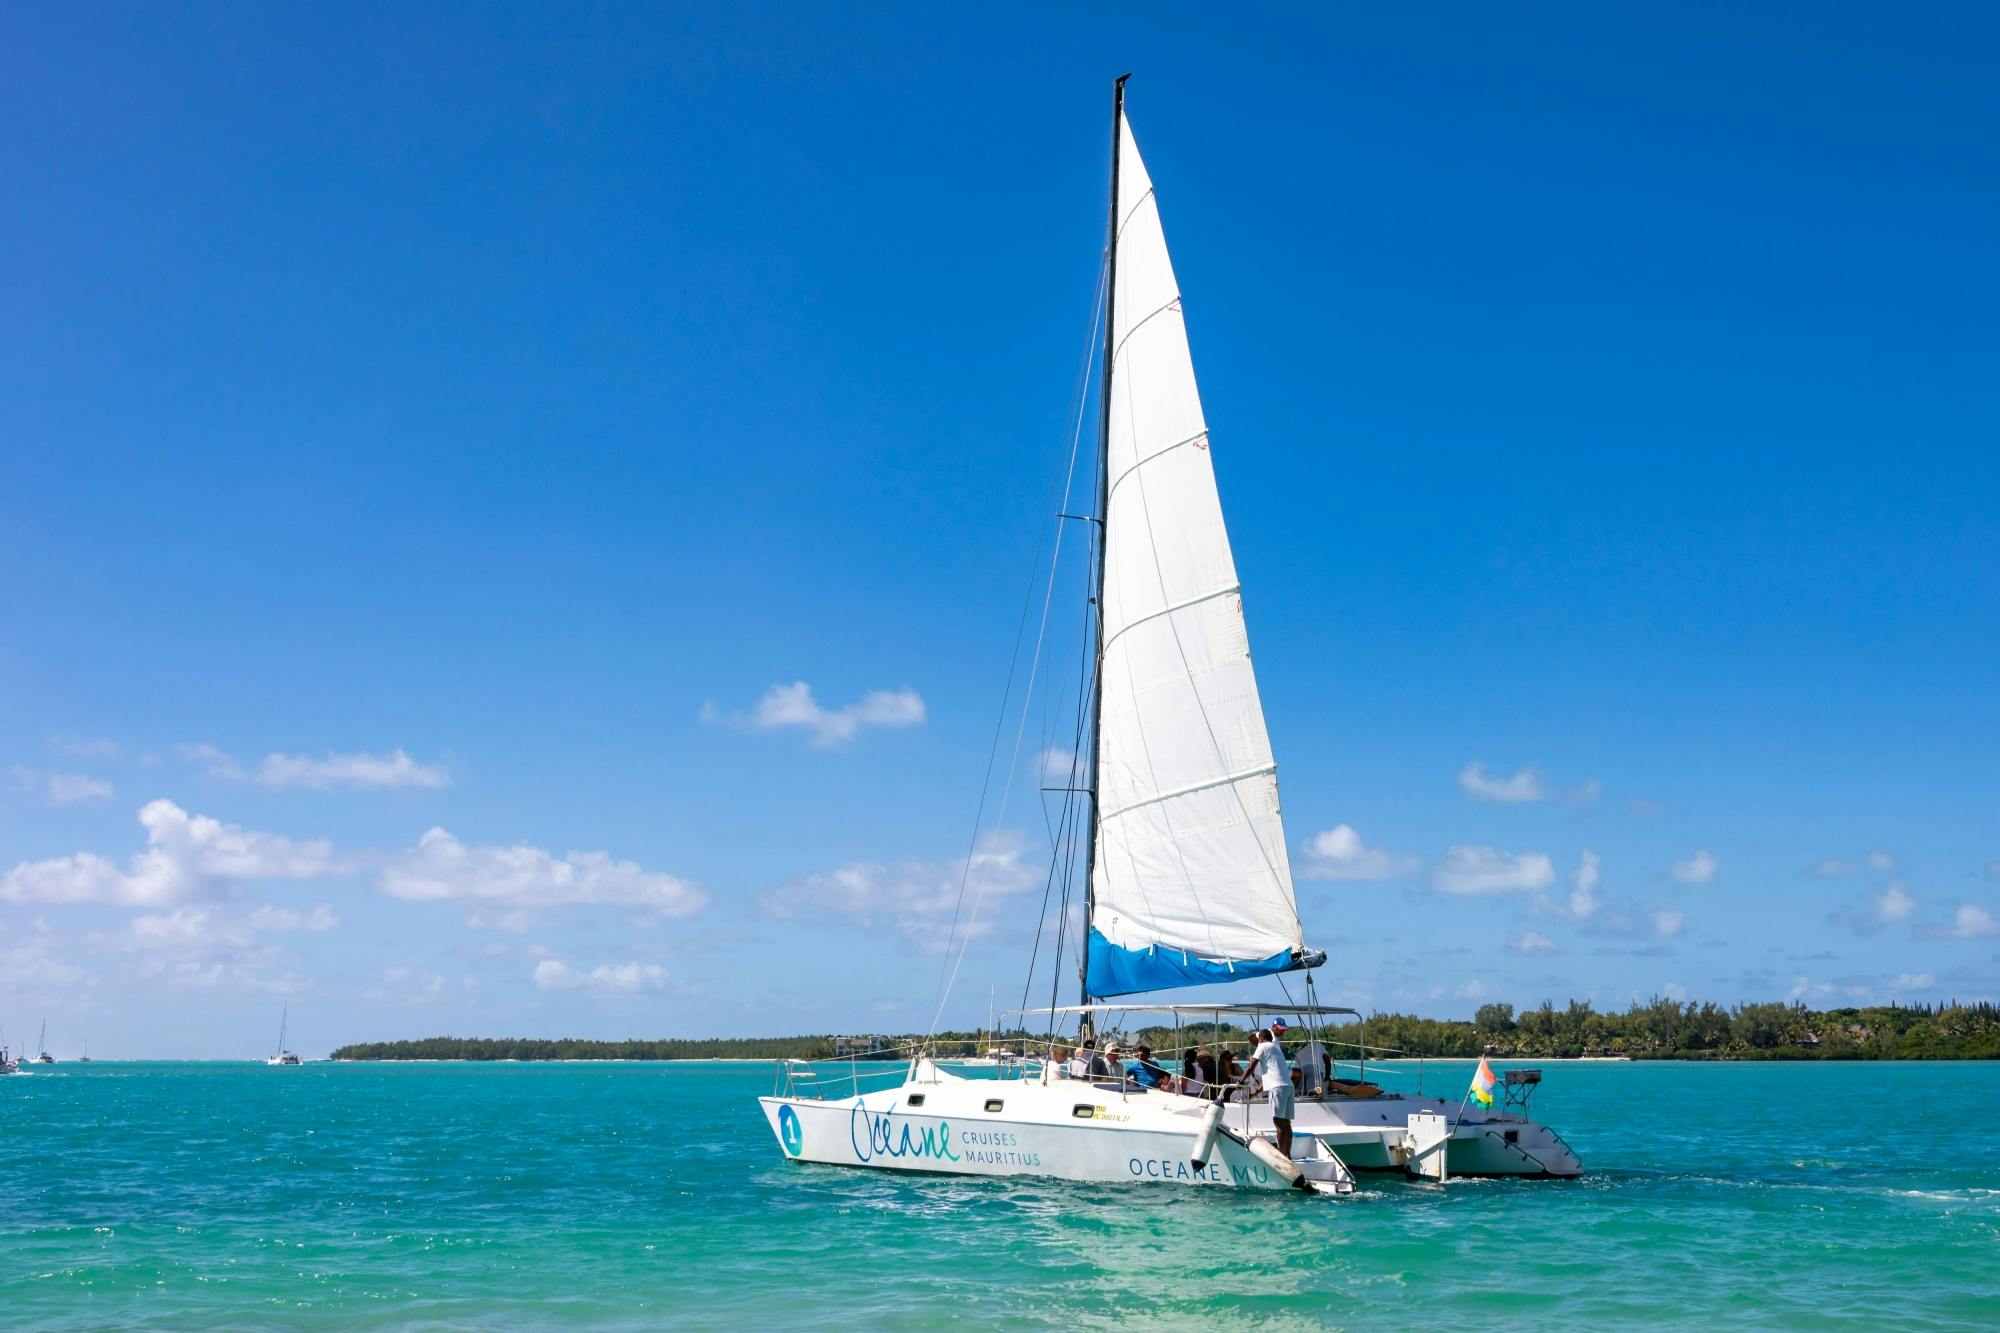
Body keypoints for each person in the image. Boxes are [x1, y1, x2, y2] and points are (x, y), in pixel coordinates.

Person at [1240, 1027, 1295, 1157]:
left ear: (1261, 1038)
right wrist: (1253, 1094)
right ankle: (1288, 1155)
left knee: (1278, 1123)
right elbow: (1272, 1075)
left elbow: (1251, 1066)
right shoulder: (1276, 1049)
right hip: (1288, 1086)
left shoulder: (1263, 1046)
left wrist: (1241, 1081)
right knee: (1286, 1123)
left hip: (1278, 1088)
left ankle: (1282, 1157)